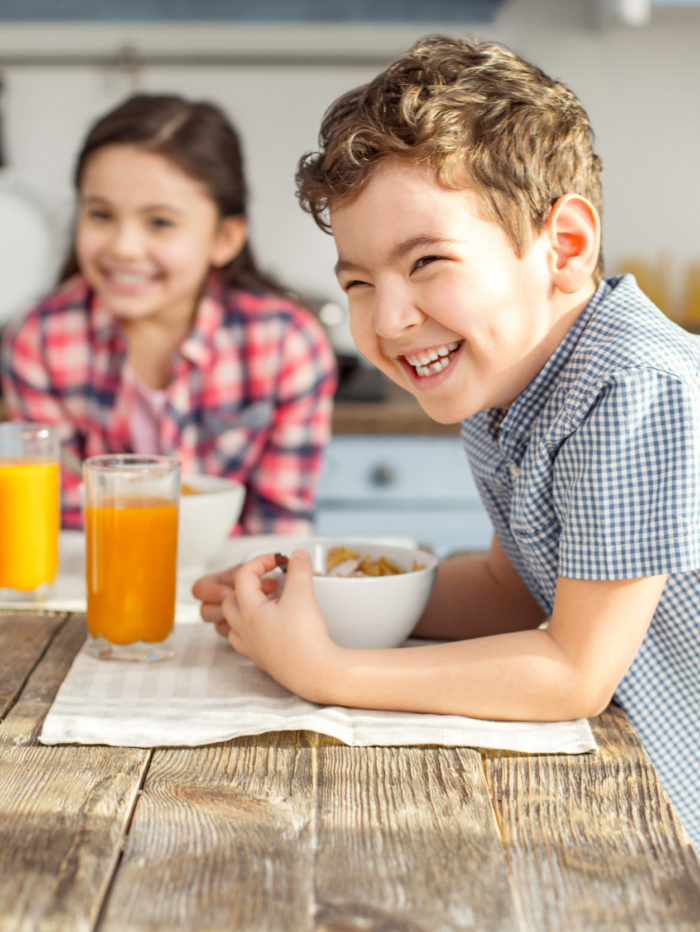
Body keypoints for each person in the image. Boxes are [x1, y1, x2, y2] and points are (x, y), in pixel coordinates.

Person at [192, 37, 700, 850]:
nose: (387, 321)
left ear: (563, 249)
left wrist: (325, 671)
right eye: (357, 282)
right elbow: (514, 588)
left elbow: (573, 671)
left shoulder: (633, 384)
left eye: (428, 262)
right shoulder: (508, 382)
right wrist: (315, 591)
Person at [1, 93, 337, 533]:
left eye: (159, 222)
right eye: (100, 214)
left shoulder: (288, 345)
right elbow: (61, 523)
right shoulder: (39, 340)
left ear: (225, 238)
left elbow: (278, 527)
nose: (123, 247)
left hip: (229, 590)